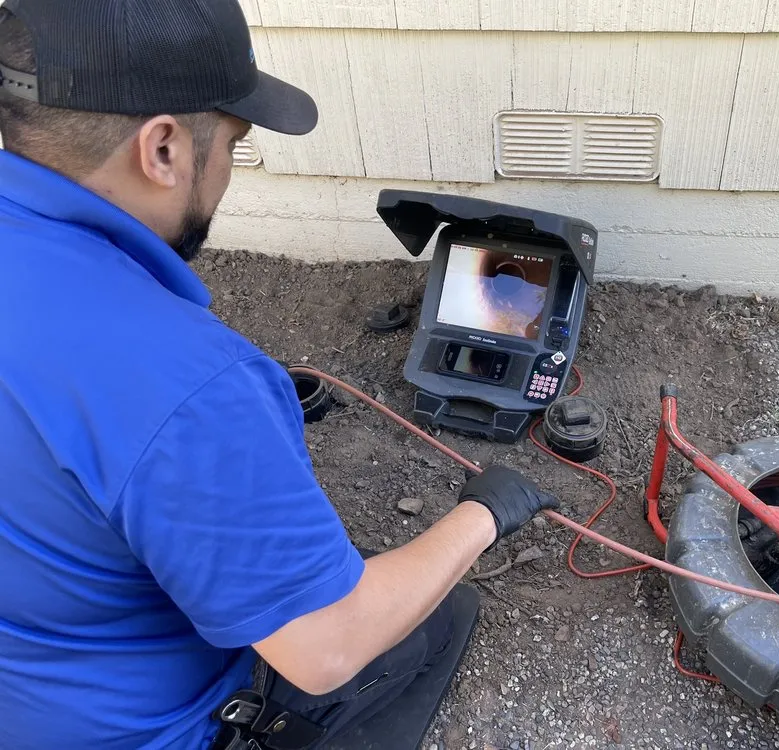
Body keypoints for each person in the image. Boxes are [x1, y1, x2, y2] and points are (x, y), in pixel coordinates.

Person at [0, 1, 559, 749]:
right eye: (233, 142)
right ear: (162, 149)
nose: (230, 169)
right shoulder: (189, 387)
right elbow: (325, 651)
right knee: (436, 619)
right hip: (133, 732)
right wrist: (483, 514)